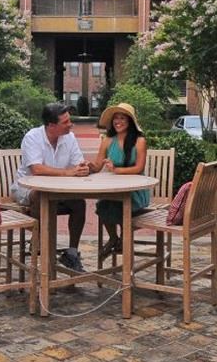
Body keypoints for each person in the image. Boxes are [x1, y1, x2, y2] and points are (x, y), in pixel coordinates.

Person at [11, 102, 89, 272]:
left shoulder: (69, 137)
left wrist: (83, 168)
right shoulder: (32, 137)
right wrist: (68, 172)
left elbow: (78, 163)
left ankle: (72, 254)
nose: (71, 124)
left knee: (79, 203)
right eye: (66, 122)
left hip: (58, 191)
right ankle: (43, 245)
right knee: (41, 196)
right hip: (26, 189)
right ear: (51, 125)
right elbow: (36, 169)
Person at [92, 102, 150, 259]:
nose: (118, 121)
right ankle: (114, 239)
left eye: (122, 118)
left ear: (130, 121)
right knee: (102, 204)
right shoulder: (107, 140)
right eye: (115, 118)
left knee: (120, 207)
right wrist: (87, 166)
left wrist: (116, 170)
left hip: (135, 192)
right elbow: (97, 166)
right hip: (114, 191)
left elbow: (139, 168)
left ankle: (122, 243)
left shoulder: (140, 141)